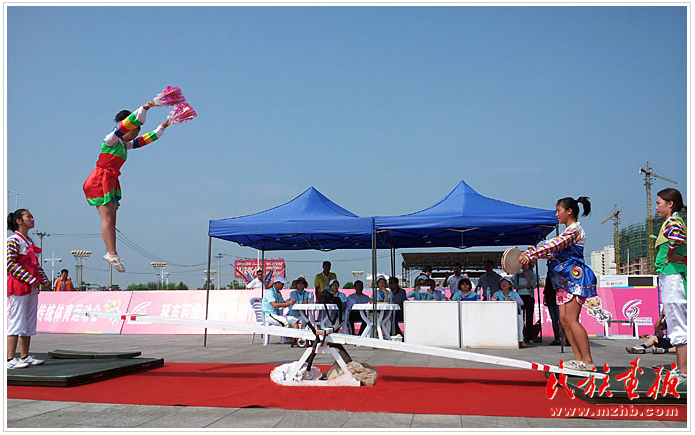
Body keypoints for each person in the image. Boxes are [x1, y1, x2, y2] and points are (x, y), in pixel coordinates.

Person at [83, 101, 172, 273]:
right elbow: (125, 126)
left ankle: (112, 252)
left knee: (112, 219)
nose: (133, 136)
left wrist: (163, 126)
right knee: (107, 219)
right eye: (132, 132)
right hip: (100, 179)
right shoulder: (111, 140)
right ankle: (111, 253)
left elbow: (145, 140)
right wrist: (145, 108)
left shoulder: (124, 145)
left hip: (111, 180)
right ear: (126, 127)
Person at [519, 196, 598, 371]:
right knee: (564, 320)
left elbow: (555, 245)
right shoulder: (567, 232)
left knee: (572, 320)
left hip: (574, 278)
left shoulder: (575, 230)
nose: (556, 214)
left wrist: (531, 254)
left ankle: (588, 360)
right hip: (563, 280)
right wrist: (531, 252)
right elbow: (552, 252)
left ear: (569, 211)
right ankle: (578, 359)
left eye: (558, 210)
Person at [7, 209, 50, 369]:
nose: (32, 219)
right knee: (16, 321)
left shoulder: (29, 241)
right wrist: (30, 279)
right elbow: (10, 264)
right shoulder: (13, 240)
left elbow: (35, 264)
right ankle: (9, 359)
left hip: (32, 288)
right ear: (19, 221)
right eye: (28, 216)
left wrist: (44, 279)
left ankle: (24, 356)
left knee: (29, 321)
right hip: (19, 287)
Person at [654, 188, 687, 384]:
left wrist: (671, 254)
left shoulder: (673, 221)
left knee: (678, 325)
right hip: (670, 277)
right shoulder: (672, 221)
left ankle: (684, 371)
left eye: (659, 203)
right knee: (676, 322)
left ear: (670, 204)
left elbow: (677, 237)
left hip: (673, 277)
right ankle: (682, 368)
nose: (656, 207)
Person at [492, 276, 525, 348]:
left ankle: (521, 340)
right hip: (500, 314)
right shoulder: (497, 293)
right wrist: (494, 299)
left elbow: (521, 303)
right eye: (502, 283)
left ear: (510, 285)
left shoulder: (514, 293)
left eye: (506, 283)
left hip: (513, 314)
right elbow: (491, 301)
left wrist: (512, 299)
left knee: (519, 320)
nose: (503, 285)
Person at [514, 263, 538, 343]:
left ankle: (529, 336)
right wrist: (524, 286)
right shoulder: (517, 275)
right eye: (523, 265)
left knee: (529, 317)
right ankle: (522, 335)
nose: (524, 266)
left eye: (526, 265)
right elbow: (515, 286)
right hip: (520, 297)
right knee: (520, 317)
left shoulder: (532, 275)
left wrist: (528, 278)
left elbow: (532, 285)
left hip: (529, 297)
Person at [543, 271, 564, 346]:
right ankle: (557, 338)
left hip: (558, 297)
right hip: (550, 297)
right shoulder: (549, 273)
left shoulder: (559, 272)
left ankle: (565, 337)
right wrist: (545, 296)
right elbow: (546, 286)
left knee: (560, 319)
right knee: (554, 319)